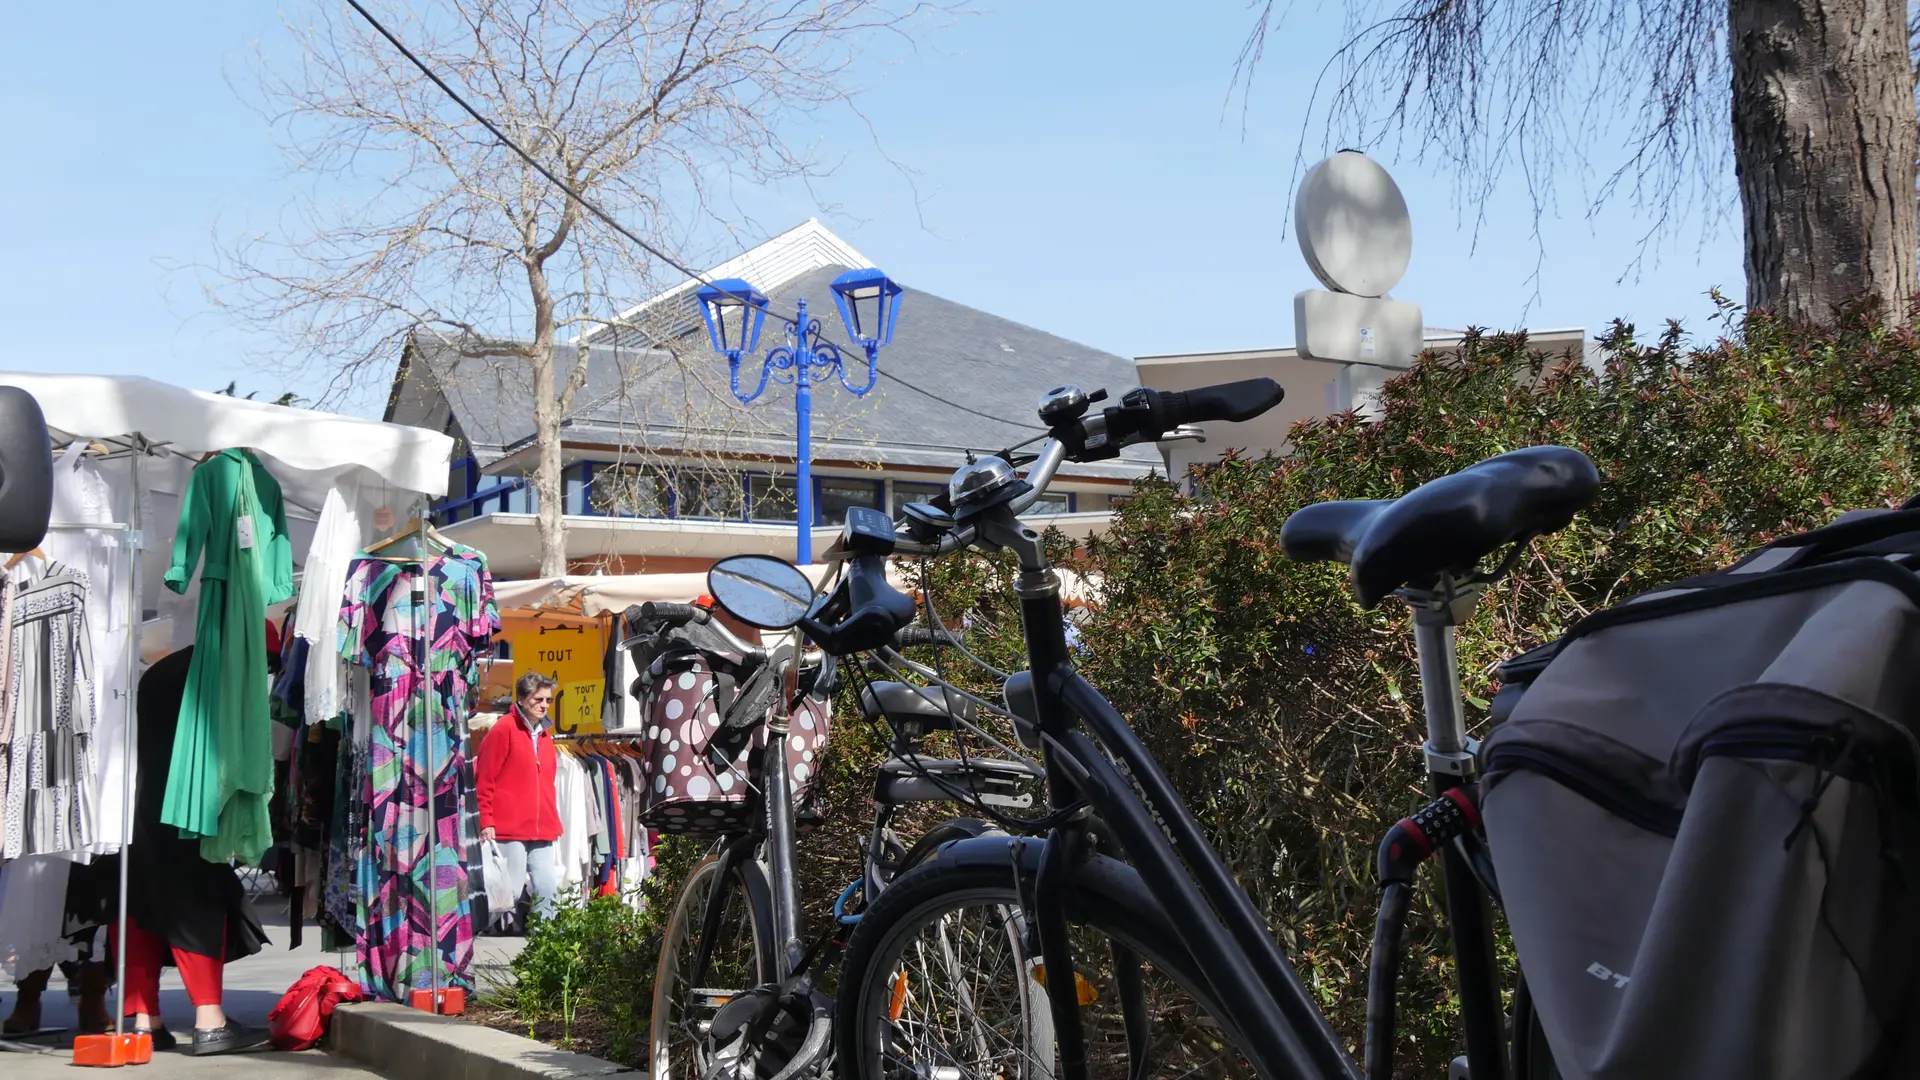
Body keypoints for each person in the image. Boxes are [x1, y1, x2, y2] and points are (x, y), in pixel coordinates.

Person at [119, 646, 272, 1055]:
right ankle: (210, 1022)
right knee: (196, 901)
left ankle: (143, 1020)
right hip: (187, 805)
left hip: (136, 803)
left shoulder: (159, 674)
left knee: (140, 907)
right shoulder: (215, 672)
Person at [476, 673, 563, 922]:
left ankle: (544, 952)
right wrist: (487, 820)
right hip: (509, 829)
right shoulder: (504, 729)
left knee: (547, 890)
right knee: (508, 893)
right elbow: (485, 779)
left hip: (543, 828)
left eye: (548, 700)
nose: (544, 705)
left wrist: (553, 819)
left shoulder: (546, 735)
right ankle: (470, 938)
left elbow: (546, 783)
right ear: (523, 699)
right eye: (538, 699)